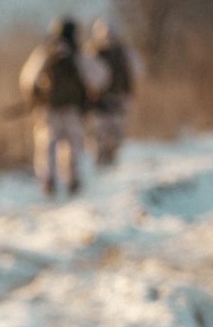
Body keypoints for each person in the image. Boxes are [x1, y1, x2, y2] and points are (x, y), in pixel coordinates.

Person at [19, 16, 109, 196]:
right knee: (73, 145)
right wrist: (92, 94)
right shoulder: (79, 56)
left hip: (48, 110)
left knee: (46, 146)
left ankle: (48, 181)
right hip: (73, 110)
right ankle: (72, 179)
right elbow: (101, 76)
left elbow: (27, 78)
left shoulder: (44, 53)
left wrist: (34, 98)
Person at [84, 18, 142, 167]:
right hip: (120, 98)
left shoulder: (92, 51)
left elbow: (85, 74)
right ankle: (110, 159)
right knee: (115, 132)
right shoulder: (126, 52)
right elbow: (138, 70)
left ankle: (101, 160)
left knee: (100, 133)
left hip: (101, 100)